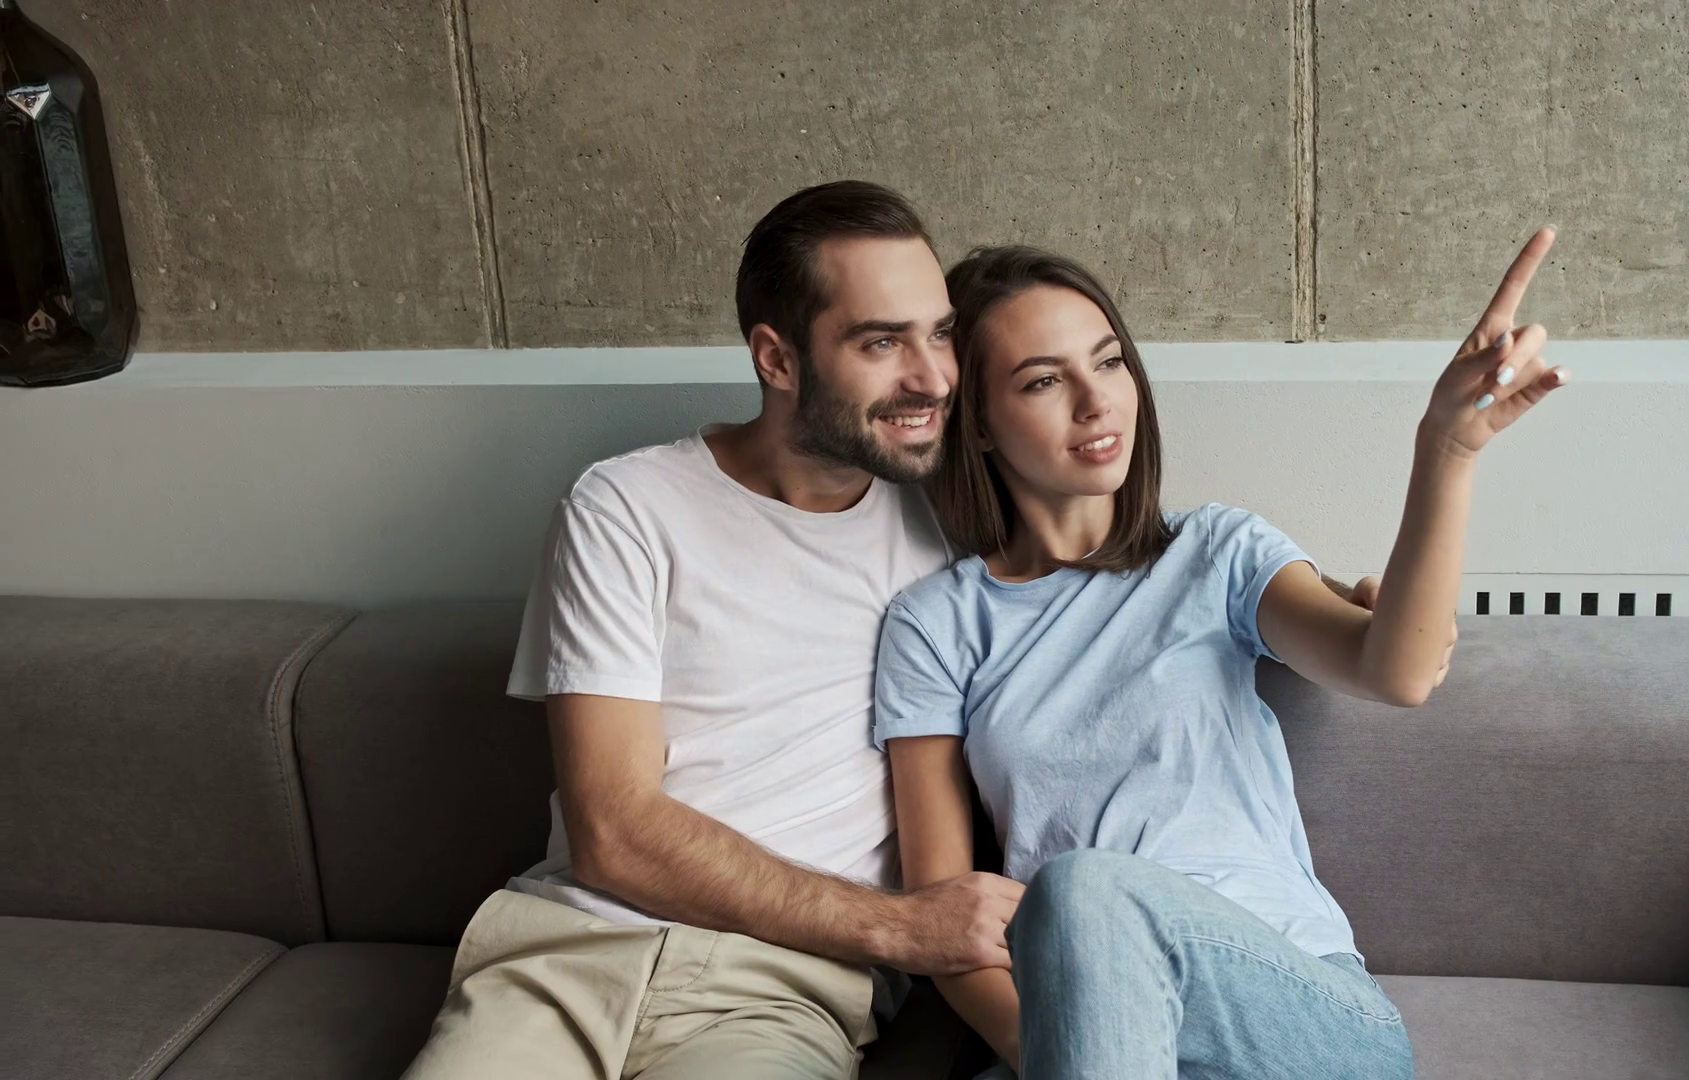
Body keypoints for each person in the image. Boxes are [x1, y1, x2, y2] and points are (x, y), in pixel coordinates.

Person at [877, 236, 1564, 1078]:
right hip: (1091, 1031)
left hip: (1298, 1016)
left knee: (1084, 888)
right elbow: (945, 918)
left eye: (1109, 362)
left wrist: (1447, 449)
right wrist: (1057, 1049)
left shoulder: (1216, 553)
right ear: (979, 424)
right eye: (1044, 381)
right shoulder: (934, 627)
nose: (1097, 402)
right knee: (1079, 908)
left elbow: (1398, 669)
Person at [401, 180, 1026, 1080]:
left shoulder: (957, 540)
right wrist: (899, 926)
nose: (932, 378)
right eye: (881, 342)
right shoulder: (626, 507)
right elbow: (614, 829)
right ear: (777, 358)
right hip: (565, 963)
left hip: (779, 989)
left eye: (939, 334)